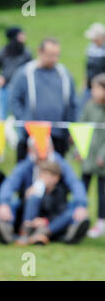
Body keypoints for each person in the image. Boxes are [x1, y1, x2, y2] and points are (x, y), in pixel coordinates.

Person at [0, 138, 89, 244]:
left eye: (43, 148)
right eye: (36, 149)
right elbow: (9, 184)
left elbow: (75, 184)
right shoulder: (26, 165)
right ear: (30, 151)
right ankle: (10, 228)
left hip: (54, 211)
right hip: (27, 210)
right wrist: (3, 203)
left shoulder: (61, 165)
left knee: (72, 211)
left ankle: (67, 231)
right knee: (13, 203)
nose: (40, 153)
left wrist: (80, 205)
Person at [9, 37, 78, 162]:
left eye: (57, 55)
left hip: (58, 135)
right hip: (31, 135)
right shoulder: (25, 73)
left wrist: (71, 128)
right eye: (50, 55)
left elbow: (73, 103)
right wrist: (26, 122)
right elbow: (14, 101)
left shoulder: (64, 74)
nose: (54, 59)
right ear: (40, 52)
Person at [15, 161, 90, 245]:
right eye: (41, 175)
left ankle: (42, 234)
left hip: (49, 225)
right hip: (33, 223)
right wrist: (26, 197)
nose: (42, 178)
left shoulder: (60, 192)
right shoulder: (34, 190)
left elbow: (60, 212)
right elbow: (22, 210)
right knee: (33, 199)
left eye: (46, 175)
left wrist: (45, 221)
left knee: (70, 213)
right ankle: (26, 233)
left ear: (56, 178)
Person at [79, 73, 105, 238]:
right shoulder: (89, 106)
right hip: (88, 157)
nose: (93, 91)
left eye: (96, 88)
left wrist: (103, 155)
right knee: (82, 189)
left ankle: (101, 222)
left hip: (102, 160)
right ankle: (81, 217)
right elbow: (81, 128)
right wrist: (78, 149)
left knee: (102, 192)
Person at [0, 26, 32, 120]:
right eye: (21, 34)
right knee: (2, 116)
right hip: (5, 89)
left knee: (20, 117)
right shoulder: (3, 51)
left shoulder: (26, 52)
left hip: (21, 90)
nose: (24, 37)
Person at [80, 22, 105, 110]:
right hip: (90, 85)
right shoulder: (90, 48)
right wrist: (84, 84)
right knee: (84, 106)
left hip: (102, 86)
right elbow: (87, 67)